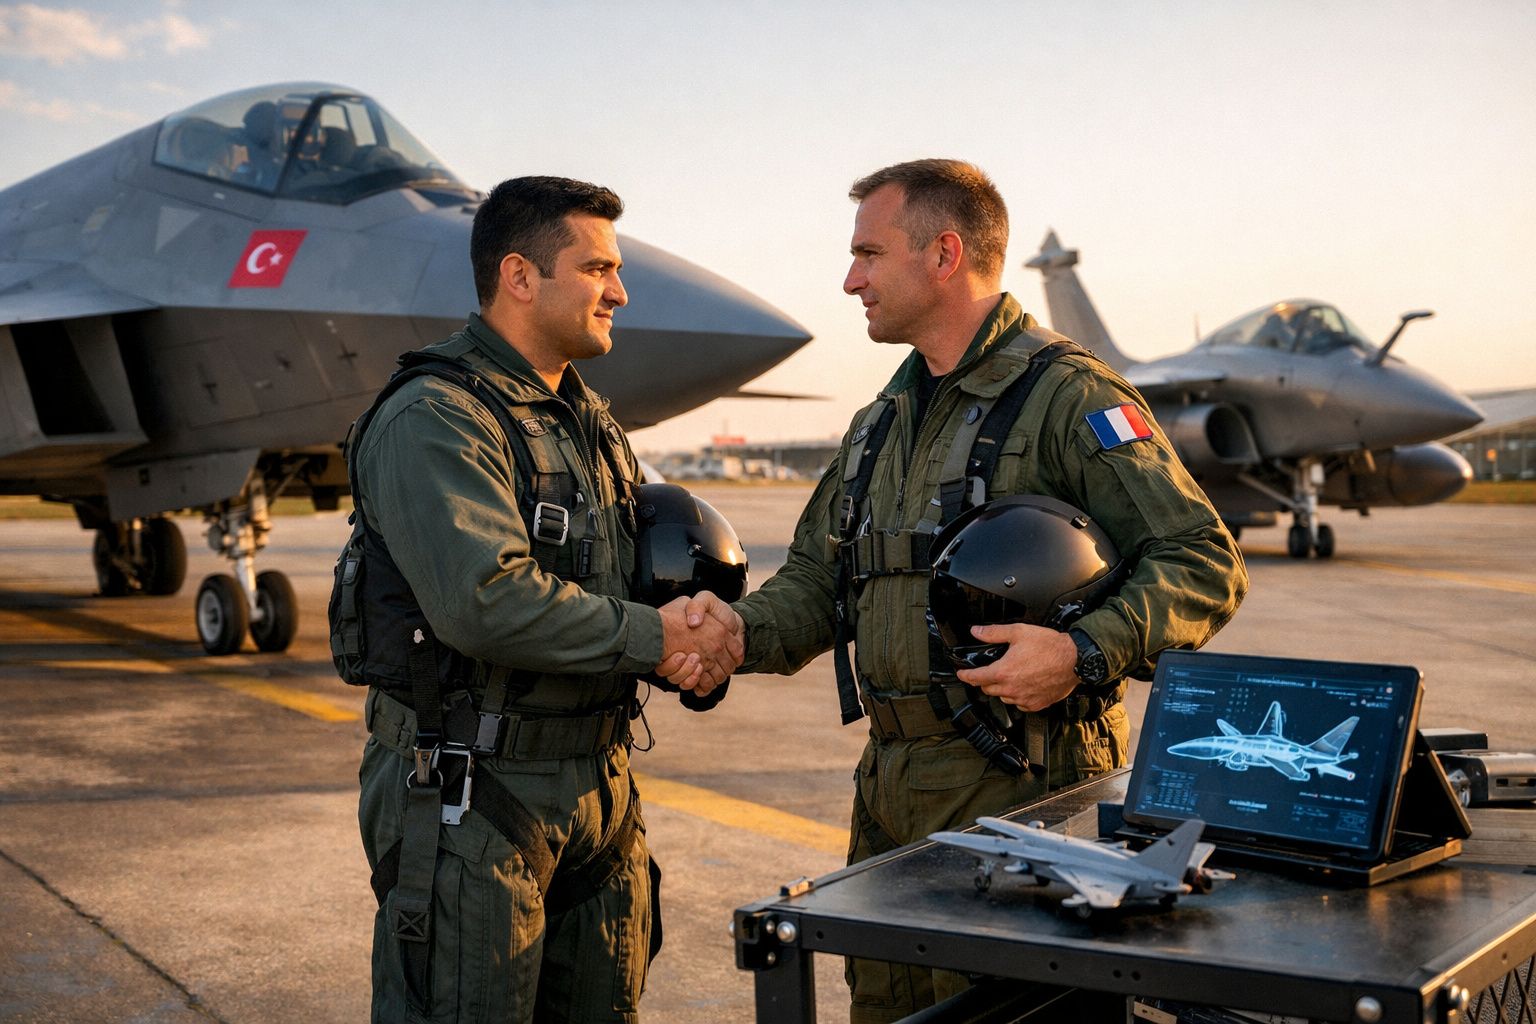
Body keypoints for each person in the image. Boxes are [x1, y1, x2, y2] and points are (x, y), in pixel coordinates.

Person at [699, 159, 1248, 1022]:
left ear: (945, 254)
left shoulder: (1070, 395)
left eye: (869, 254)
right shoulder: (879, 423)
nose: (851, 281)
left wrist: (1082, 651)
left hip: (1028, 795)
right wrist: (729, 634)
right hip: (889, 792)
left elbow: (1203, 559)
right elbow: (815, 581)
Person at [348, 175, 740, 1023]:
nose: (619, 292)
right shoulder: (438, 415)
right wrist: (660, 637)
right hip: (474, 792)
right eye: (598, 269)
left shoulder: (589, 423)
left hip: (597, 787)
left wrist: (695, 641)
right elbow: (484, 600)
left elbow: (622, 584)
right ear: (520, 276)